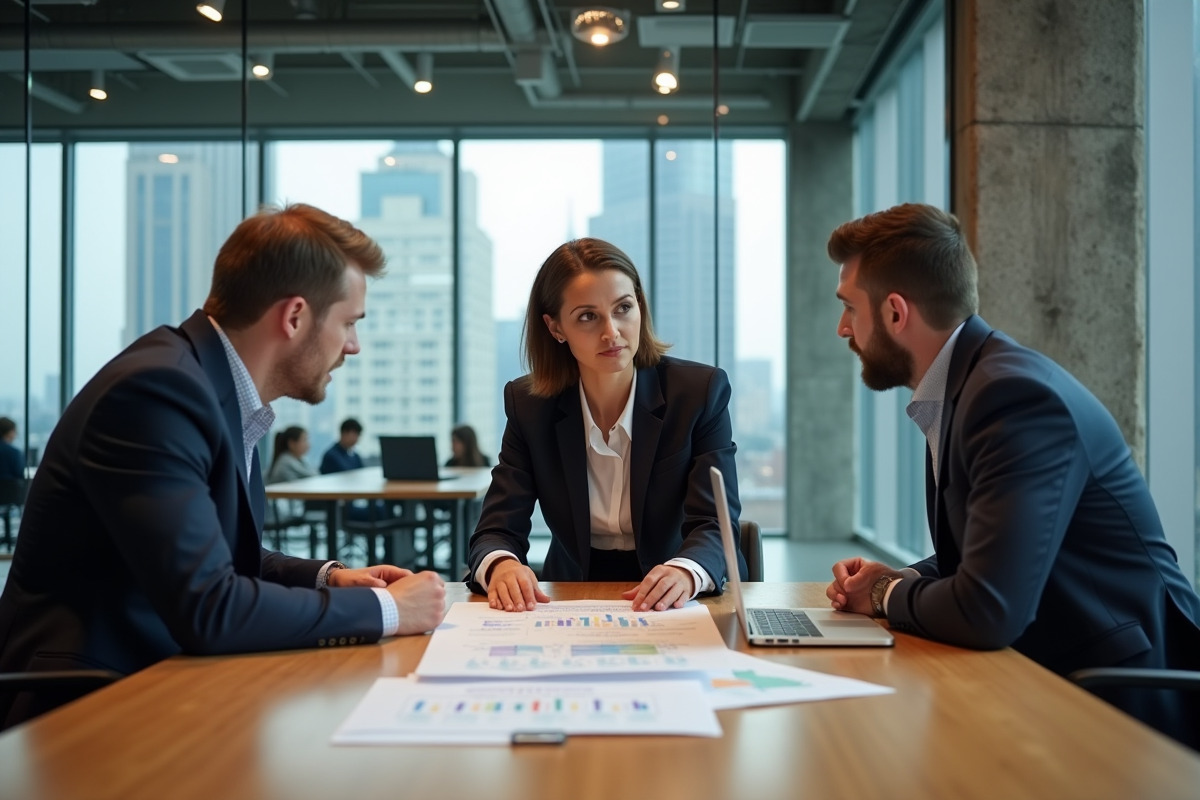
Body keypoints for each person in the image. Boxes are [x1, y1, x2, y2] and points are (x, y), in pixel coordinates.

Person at [0, 203, 446, 730]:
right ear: (295, 317)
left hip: (162, 680)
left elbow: (215, 556)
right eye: (349, 323)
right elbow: (210, 605)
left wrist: (329, 578)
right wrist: (388, 611)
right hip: (86, 706)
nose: (353, 346)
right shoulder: (157, 393)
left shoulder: (211, 390)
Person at [824, 202, 1200, 748]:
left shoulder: (1013, 397)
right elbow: (991, 552)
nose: (842, 328)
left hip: (1119, 703)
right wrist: (901, 576)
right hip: (1049, 673)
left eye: (848, 307)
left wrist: (883, 593)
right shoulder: (972, 385)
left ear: (896, 312)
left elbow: (988, 609)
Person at [467, 238, 746, 614]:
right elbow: (496, 529)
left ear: (640, 307)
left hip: (678, 592)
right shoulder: (530, 406)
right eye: (587, 316)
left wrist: (685, 571)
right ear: (555, 327)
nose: (611, 332)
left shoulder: (698, 393)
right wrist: (502, 565)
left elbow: (715, 522)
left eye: (623, 308)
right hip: (571, 592)